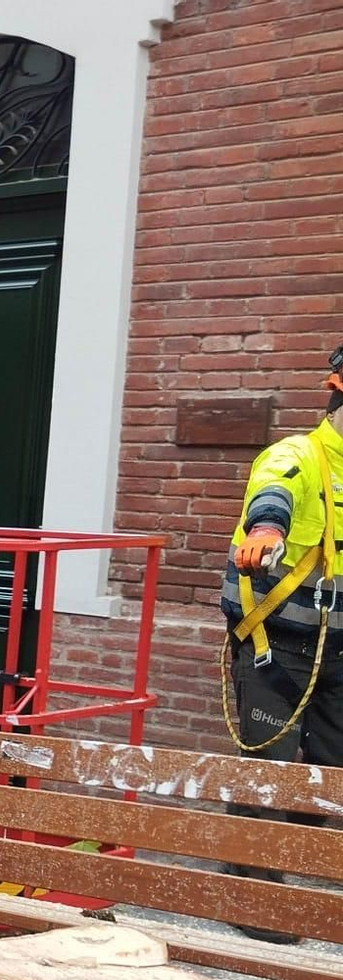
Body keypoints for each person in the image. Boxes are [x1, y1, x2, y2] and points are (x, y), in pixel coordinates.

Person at [219, 346, 343, 943]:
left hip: (338, 652)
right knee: (266, 771)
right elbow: (274, 495)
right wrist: (267, 528)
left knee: (331, 774)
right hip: (280, 645)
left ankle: (283, 862)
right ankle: (251, 891)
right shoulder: (297, 456)